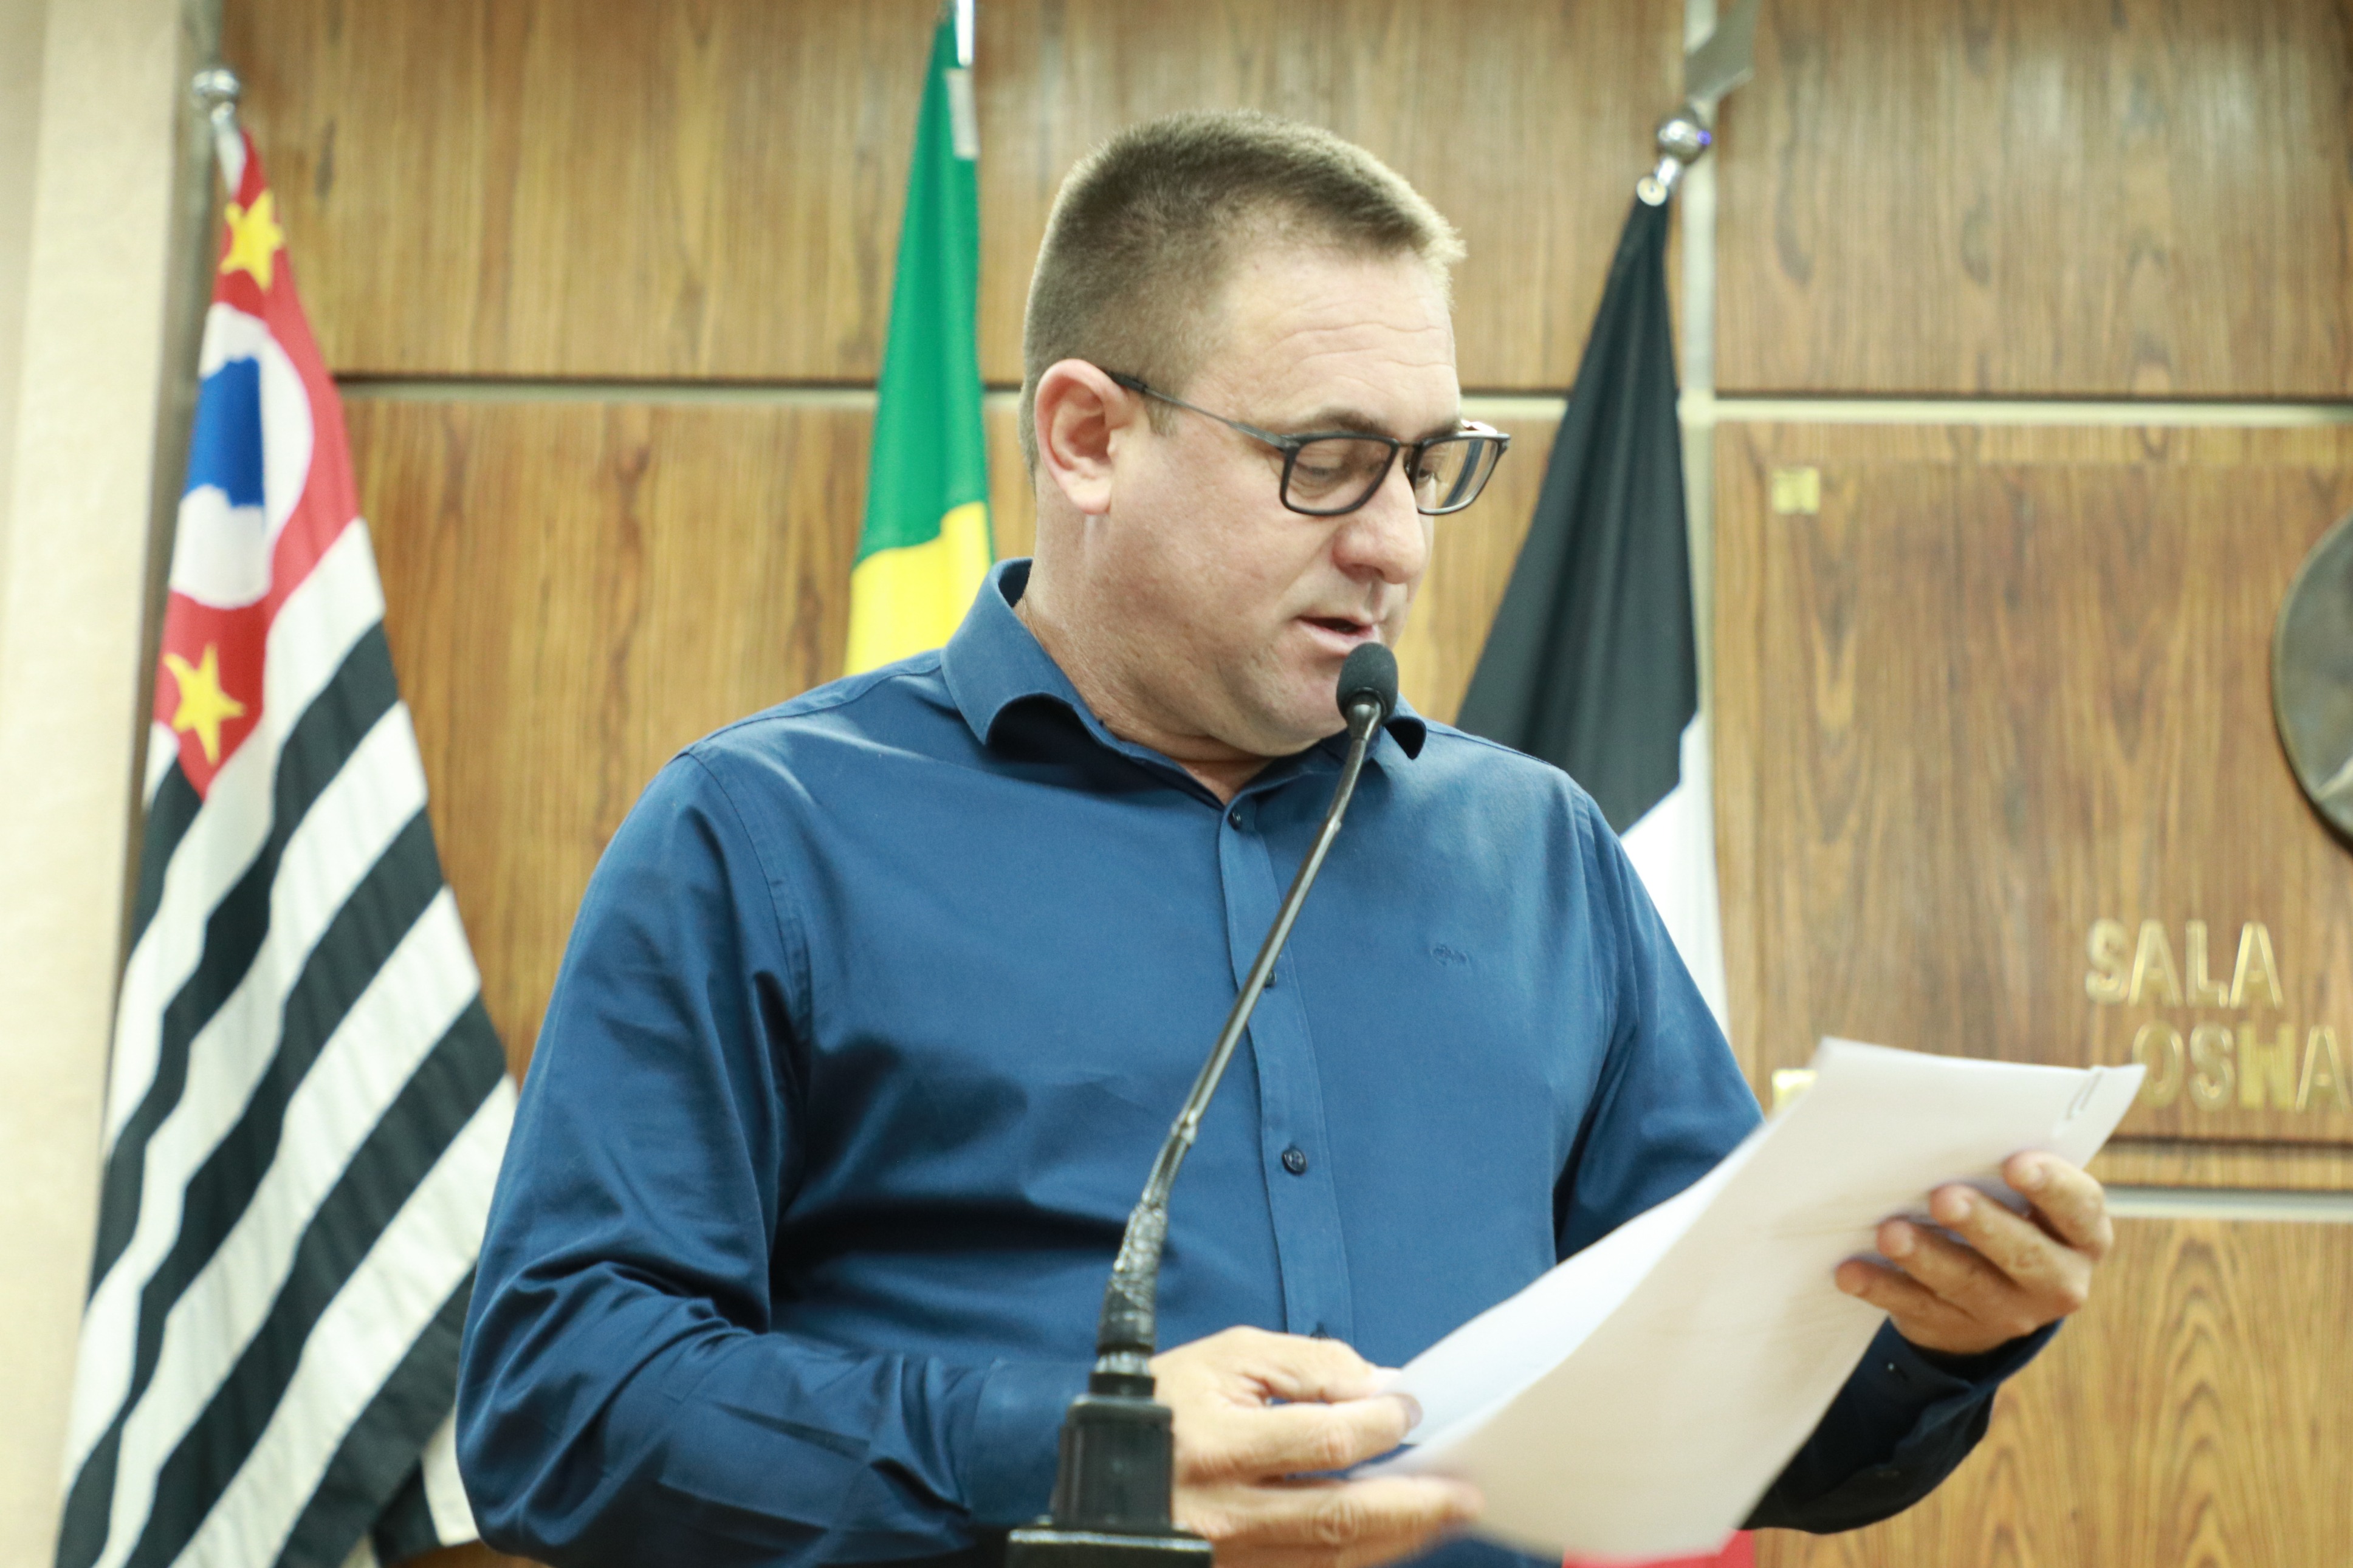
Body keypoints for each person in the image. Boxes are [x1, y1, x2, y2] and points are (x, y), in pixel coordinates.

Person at [456, 111, 2112, 1568]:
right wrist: (1071, 1454)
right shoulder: (764, 836)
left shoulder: (1537, 851)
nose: (1397, 545)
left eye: (1430, 465)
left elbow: (1728, 1409)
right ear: (1089, 438)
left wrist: (1939, 1339)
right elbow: (561, 1408)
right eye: (1327, 462)